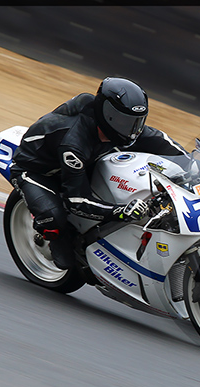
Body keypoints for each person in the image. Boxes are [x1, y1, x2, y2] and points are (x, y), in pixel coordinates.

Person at [10, 76, 188, 270]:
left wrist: (191, 163)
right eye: (124, 120)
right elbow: (76, 200)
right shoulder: (74, 144)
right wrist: (119, 212)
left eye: (136, 121)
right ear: (107, 114)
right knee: (57, 229)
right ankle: (53, 237)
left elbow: (159, 139)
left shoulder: (121, 127)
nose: (132, 129)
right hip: (39, 172)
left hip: (84, 162)